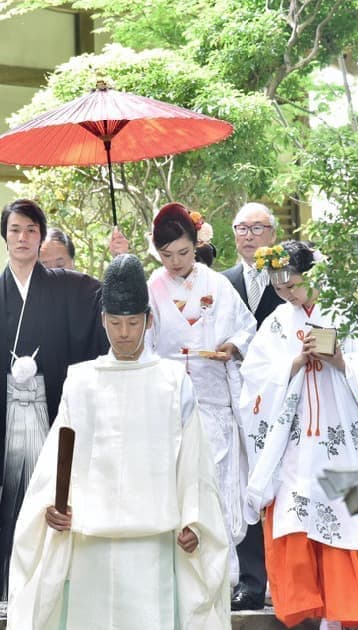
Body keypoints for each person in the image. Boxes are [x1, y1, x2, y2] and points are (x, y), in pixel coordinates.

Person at [5, 254, 233, 630]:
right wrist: (56, 507)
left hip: (152, 540)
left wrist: (193, 518)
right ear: (103, 321)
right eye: (115, 322)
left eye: (133, 322)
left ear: (149, 322)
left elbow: (192, 459)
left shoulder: (173, 380)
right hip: (90, 541)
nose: (125, 333)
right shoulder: (81, 379)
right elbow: (58, 458)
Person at [240, 240, 358, 630]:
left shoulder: (350, 315)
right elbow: (255, 381)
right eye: (281, 289)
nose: (288, 294)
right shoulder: (276, 323)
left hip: (339, 439)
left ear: (313, 276)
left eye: (293, 285)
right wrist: (293, 363)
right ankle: (305, 610)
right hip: (293, 443)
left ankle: (337, 616)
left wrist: (341, 360)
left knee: (338, 516)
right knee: (295, 516)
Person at [0, 199, 108, 601]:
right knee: (10, 499)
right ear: (4, 236)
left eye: (31, 230)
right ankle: (8, 592)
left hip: (52, 411)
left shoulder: (69, 287)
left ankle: (58, 592)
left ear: (41, 236)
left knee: (55, 497)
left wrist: (118, 259)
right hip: (5, 416)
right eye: (15, 230)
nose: (23, 238)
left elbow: (105, 300)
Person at [115, 203, 256, 587]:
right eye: (166, 255)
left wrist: (232, 346)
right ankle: (176, 576)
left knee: (217, 481)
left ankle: (222, 576)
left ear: (197, 245)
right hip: (170, 401)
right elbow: (143, 344)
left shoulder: (218, 285)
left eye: (183, 252)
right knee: (176, 485)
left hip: (214, 401)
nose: (175, 262)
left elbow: (247, 327)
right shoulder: (151, 289)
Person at [222, 202, 285, 611]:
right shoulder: (221, 283)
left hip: (283, 395)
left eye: (257, 227)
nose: (248, 235)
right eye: (241, 227)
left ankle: (285, 579)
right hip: (236, 397)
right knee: (244, 483)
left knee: (279, 485)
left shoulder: (288, 281)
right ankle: (250, 579)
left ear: (273, 234)